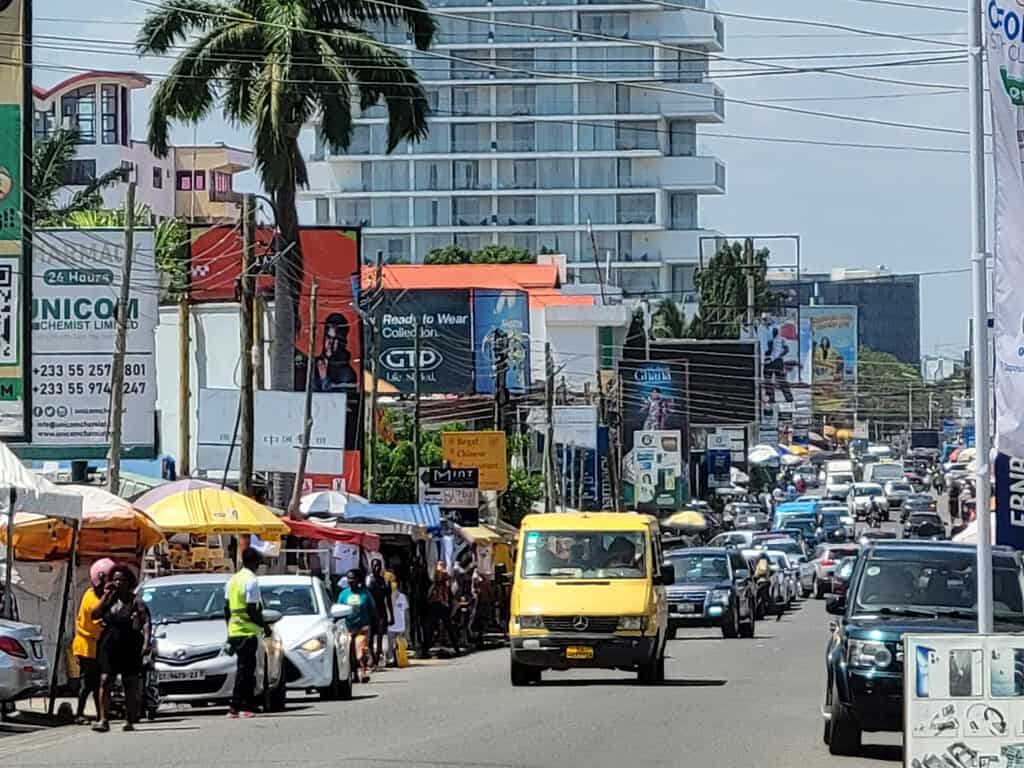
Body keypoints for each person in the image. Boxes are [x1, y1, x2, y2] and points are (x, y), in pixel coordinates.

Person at [92, 564, 150, 732]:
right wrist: (105, 595)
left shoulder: (135, 601)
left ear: (129, 582)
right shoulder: (109, 599)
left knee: (129, 682)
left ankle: (130, 719)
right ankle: (103, 719)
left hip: (130, 643)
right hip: (110, 643)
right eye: (115, 579)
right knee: (105, 679)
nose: (118, 583)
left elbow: (146, 621)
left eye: (122, 580)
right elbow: (95, 615)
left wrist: (147, 642)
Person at [224, 547, 268, 719]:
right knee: (247, 671)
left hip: (234, 631)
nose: (258, 566)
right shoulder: (251, 581)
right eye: (258, 563)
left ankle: (236, 705)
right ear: (253, 562)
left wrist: (229, 630)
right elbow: (252, 609)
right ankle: (242, 706)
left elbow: (226, 609)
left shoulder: (232, 580)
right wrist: (264, 626)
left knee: (242, 669)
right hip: (248, 632)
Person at [73, 559, 113, 725]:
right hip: (87, 647)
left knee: (98, 683)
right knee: (89, 683)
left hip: (95, 646)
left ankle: (100, 714)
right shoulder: (92, 599)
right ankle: (80, 713)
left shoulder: (94, 593)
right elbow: (100, 617)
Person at [338, 569, 377, 683]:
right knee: (348, 651)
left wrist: (374, 625)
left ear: (358, 580)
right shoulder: (343, 594)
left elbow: (372, 610)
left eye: (353, 579)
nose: (350, 581)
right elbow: (338, 610)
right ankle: (352, 673)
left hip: (362, 628)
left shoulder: (365, 594)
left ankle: (364, 672)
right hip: (347, 628)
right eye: (348, 579)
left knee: (360, 650)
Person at [423, 562, 460, 658]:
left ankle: (456, 648)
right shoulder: (437, 585)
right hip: (437, 604)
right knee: (433, 627)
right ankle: (426, 650)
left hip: (441, 604)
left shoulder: (443, 585)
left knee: (446, 626)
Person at [366, 559, 394, 669]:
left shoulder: (385, 582)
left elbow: (389, 600)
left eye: (378, 566)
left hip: (381, 612)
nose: (376, 568)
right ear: (371, 567)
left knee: (380, 637)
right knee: (369, 638)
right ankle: (372, 659)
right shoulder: (368, 580)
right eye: (374, 566)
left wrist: (392, 615)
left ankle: (376, 660)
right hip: (370, 612)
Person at [387, 588, 409, 667]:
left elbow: (406, 612)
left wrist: (407, 628)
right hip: (390, 627)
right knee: (390, 646)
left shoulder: (402, 597)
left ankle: (400, 660)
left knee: (400, 645)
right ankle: (390, 660)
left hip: (400, 626)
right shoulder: (386, 596)